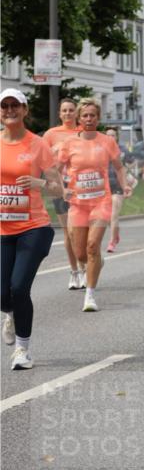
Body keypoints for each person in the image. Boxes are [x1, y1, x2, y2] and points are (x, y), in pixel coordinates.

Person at [1, 88, 63, 370]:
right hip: (3, 228)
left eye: (15, 105)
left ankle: (23, 350)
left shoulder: (37, 145)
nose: (9, 111)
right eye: (5, 106)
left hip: (33, 227)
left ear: (25, 110)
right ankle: (10, 312)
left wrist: (38, 183)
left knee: (18, 286)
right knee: (3, 294)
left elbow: (58, 188)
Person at [59, 100, 132, 312]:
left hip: (101, 201)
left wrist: (125, 185)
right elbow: (56, 169)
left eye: (93, 115)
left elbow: (119, 167)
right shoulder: (70, 143)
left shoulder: (107, 141)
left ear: (98, 118)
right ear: (79, 119)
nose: (89, 119)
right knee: (80, 253)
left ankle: (89, 295)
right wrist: (62, 188)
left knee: (92, 246)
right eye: (85, 116)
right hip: (78, 204)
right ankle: (95, 262)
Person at [43, 97, 81, 289]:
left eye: (71, 110)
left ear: (76, 112)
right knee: (68, 231)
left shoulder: (83, 132)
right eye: (64, 110)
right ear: (59, 114)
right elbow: (43, 159)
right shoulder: (51, 134)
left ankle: (86, 262)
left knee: (81, 230)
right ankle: (75, 271)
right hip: (59, 187)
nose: (67, 114)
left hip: (82, 188)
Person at [104, 126, 136, 253]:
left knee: (114, 215)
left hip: (118, 186)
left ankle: (111, 242)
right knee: (106, 217)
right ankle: (115, 233)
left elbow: (132, 163)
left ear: (116, 137)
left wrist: (128, 175)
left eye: (113, 135)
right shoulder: (100, 150)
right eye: (108, 135)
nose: (110, 137)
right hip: (104, 186)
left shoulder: (122, 150)